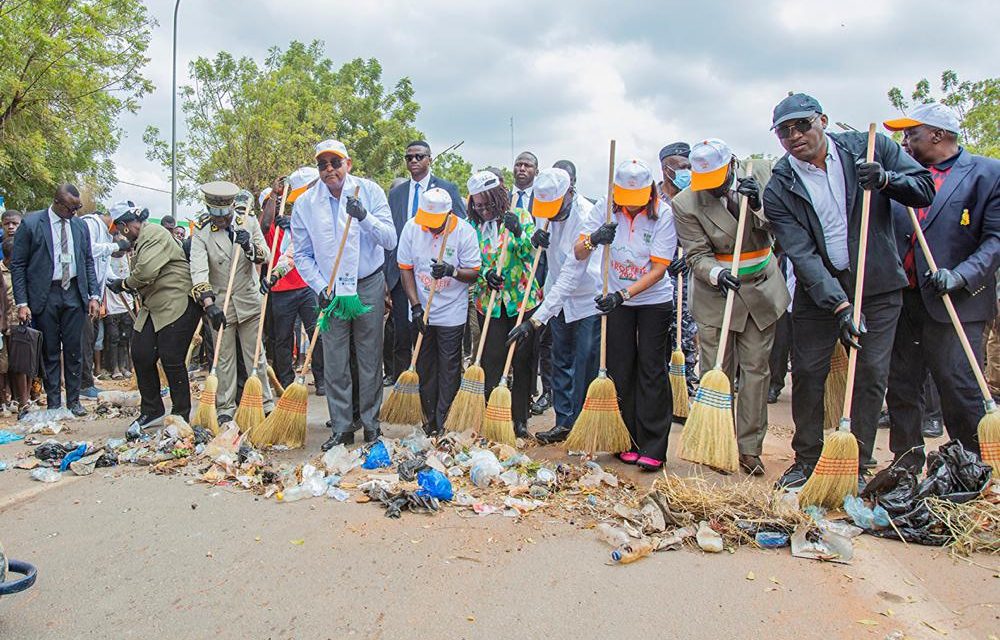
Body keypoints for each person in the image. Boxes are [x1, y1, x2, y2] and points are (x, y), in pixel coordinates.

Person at [762, 93, 935, 488]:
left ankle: (854, 462)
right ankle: (807, 459)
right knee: (808, 372)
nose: (795, 136)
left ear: (822, 120)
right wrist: (838, 304)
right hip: (819, 291)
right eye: (784, 132)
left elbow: (924, 188)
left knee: (871, 373)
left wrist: (888, 181)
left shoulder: (870, 148)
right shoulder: (779, 186)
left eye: (802, 125)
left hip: (877, 285)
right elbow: (802, 254)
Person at [880, 102, 1000, 471]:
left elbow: (995, 239)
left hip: (956, 302)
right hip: (904, 300)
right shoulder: (902, 176)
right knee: (901, 386)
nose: (905, 140)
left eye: (911, 132)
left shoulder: (986, 173)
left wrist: (961, 274)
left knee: (957, 385)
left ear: (937, 134)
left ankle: (967, 464)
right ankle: (905, 464)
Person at [672, 139, 790, 475]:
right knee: (717, 372)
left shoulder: (763, 174)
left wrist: (758, 204)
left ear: (732, 165)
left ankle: (749, 448)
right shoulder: (686, 202)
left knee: (755, 370)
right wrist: (716, 272)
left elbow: (780, 229)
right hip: (718, 294)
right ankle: (718, 442)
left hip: (761, 290)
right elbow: (695, 254)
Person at [292, 139, 397, 450]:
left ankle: (371, 425)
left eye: (335, 163)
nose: (329, 170)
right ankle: (341, 427)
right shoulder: (306, 203)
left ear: (347, 164)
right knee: (336, 359)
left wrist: (364, 216)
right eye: (322, 164)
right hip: (330, 289)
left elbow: (390, 239)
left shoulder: (370, 191)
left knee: (369, 357)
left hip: (366, 283)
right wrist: (319, 285)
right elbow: (302, 254)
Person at [576, 159, 677, 471]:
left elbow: (660, 269)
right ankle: (628, 440)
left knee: (651, 368)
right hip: (616, 300)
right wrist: (594, 239)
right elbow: (578, 250)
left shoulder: (664, 214)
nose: (630, 209)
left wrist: (624, 294)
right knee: (621, 369)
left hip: (652, 301)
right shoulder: (606, 208)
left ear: (649, 193)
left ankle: (654, 444)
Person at [506, 167, 599, 444]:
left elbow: (572, 273)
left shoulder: (586, 215)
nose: (552, 213)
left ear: (569, 194)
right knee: (560, 362)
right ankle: (563, 422)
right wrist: (534, 238)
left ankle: (583, 427)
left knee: (584, 365)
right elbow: (545, 258)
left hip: (585, 300)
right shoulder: (544, 208)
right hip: (557, 300)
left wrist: (536, 320)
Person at [106, 202, 201, 437]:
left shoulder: (154, 234)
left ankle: (181, 413)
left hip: (176, 302)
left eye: (118, 229)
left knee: (172, 358)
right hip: (153, 306)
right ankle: (152, 410)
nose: (119, 234)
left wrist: (124, 284)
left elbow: (146, 272)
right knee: (141, 352)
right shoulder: (140, 241)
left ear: (125, 225)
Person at [10, 184, 100, 416]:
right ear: (57, 203)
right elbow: (18, 265)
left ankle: (73, 402)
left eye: (78, 208)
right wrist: (22, 303)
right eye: (71, 208)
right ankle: (53, 403)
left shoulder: (80, 226)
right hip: (45, 294)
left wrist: (94, 295)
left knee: (74, 349)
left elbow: (88, 260)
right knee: (49, 350)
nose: (75, 212)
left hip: (74, 293)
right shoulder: (31, 224)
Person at [396, 187, 481, 434]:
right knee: (424, 365)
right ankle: (428, 419)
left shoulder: (464, 232)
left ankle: (446, 421)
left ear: (449, 213)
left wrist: (451, 271)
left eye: (436, 223)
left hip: (451, 311)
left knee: (449, 367)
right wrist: (415, 306)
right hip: (422, 307)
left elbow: (474, 273)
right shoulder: (412, 227)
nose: (431, 228)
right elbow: (405, 268)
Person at [189, 181, 274, 424]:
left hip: (249, 301)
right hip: (220, 306)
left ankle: (265, 404)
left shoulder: (248, 222)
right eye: (215, 216)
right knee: (223, 360)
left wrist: (248, 245)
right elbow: (198, 271)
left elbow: (265, 254)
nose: (221, 221)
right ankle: (225, 407)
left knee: (255, 356)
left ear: (231, 209)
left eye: (224, 215)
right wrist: (209, 304)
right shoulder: (202, 233)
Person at [385, 140, 466, 385]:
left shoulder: (446, 189)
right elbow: (390, 235)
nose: (413, 162)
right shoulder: (397, 193)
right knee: (402, 336)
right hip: (403, 275)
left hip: (437, 276)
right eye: (408, 157)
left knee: (435, 339)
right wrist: (386, 279)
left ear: (429, 158)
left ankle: (439, 390)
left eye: (419, 156)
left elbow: (460, 228)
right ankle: (405, 390)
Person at [467, 170, 539, 439]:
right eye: (478, 205)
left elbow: (530, 254)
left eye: (487, 204)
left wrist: (519, 233)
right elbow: (473, 260)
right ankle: (493, 416)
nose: (483, 210)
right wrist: (486, 274)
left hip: (520, 301)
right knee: (492, 359)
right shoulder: (473, 226)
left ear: (499, 198)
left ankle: (520, 419)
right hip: (490, 303)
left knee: (521, 360)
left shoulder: (520, 217)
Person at [260, 167, 326, 395]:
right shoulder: (273, 225)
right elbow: (265, 225)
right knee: (283, 338)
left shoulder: (305, 218)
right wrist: (275, 195)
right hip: (281, 290)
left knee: (317, 333)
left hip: (307, 286)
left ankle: (322, 379)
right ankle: (285, 381)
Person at [658, 142, 700, 395]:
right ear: (666, 169)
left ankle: (685, 387)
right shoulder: (652, 196)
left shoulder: (697, 195)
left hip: (687, 274)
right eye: (683, 167)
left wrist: (691, 256)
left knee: (686, 332)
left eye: (690, 166)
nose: (688, 171)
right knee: (660, 333)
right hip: (658, 275)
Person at [79, 207, 125, 397]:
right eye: (120, 229)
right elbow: (89, 251)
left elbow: (103, 267)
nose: (118, 234)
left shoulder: (106, 234)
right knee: (85, 339)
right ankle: (83, 384)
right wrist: (116, 246)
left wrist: (117, 282)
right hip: (82, 294)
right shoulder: (90, 223)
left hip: (96, 296)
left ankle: (87, 381)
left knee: (91, 338)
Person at [0, 236, 28, 418]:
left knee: (21, 364)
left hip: (20, 324)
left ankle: (23, 403)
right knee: (3, 366)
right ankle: (4, 402)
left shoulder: (24, 270)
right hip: (4, 325)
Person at [768, 247, 796, 403]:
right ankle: (774, 385)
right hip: (783, 299)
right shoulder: (782, 252)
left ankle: (802, 389)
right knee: (779, 344)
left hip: (810, 297)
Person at [103, 239, 134, 380]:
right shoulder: (106, 260)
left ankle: (123, 366)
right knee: (113, 338)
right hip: (111, 306)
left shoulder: (129, 258)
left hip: (127, 305)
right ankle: (114, 368)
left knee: (124, 338)